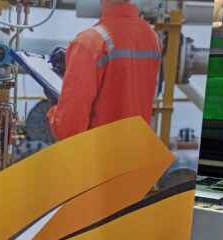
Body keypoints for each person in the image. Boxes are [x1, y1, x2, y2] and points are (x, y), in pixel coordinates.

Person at [47, 0, 161, 141]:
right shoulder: (152, 37)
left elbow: (68, 130)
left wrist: (54, 105)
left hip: (101, 152)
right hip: (137, 150)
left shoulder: (89, 43)